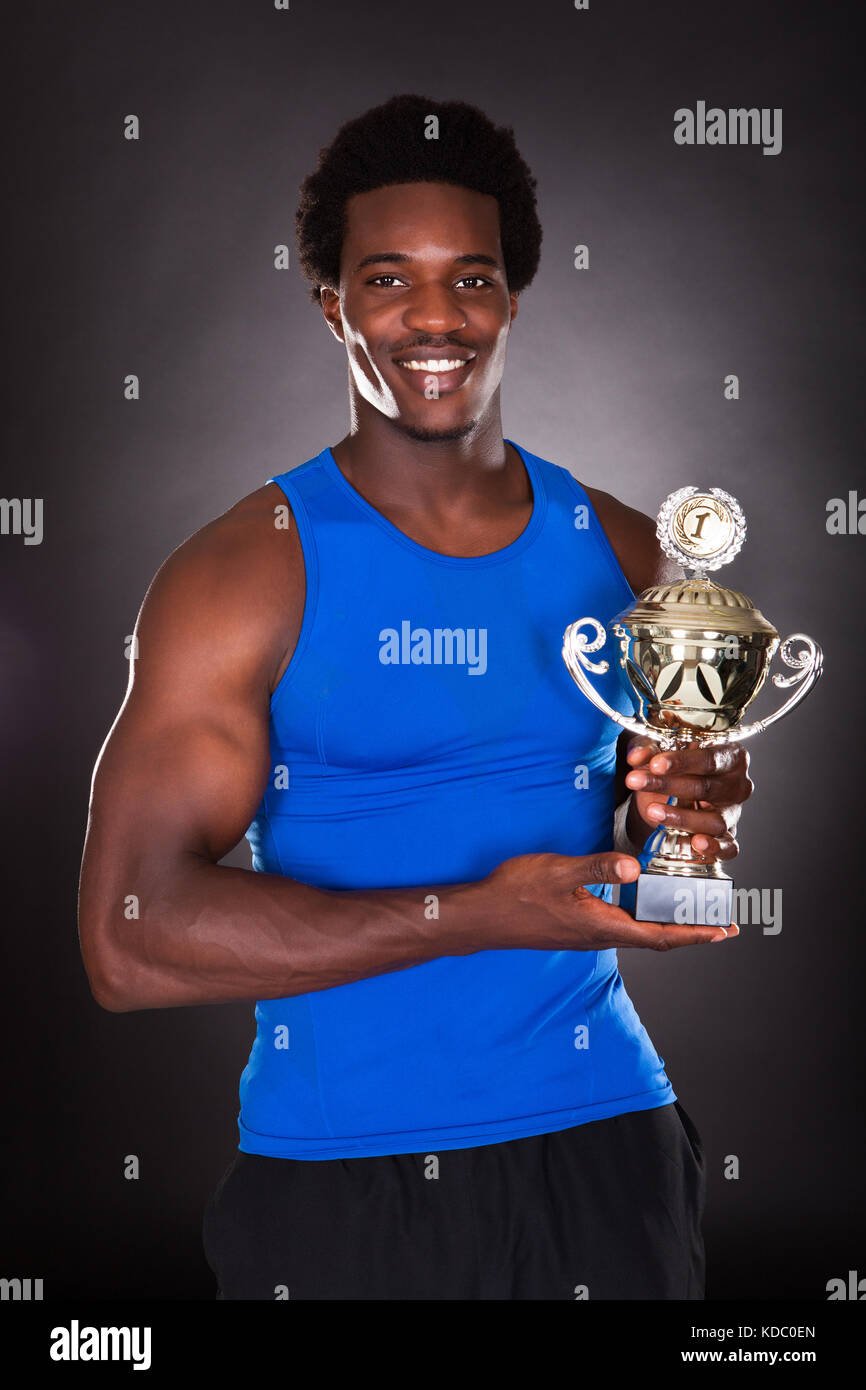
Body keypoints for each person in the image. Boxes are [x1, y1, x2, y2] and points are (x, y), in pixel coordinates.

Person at [78, 93, 751, 1301]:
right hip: (343, 1186)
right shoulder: (244, 572)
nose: (434, 319)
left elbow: (651, 835)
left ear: (511, 298)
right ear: (333, 301)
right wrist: (483, 912)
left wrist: (685, 819)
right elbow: (127, 939)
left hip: (605, 1149)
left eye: (472, 280)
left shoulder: (633, 553)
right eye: (388, 280)